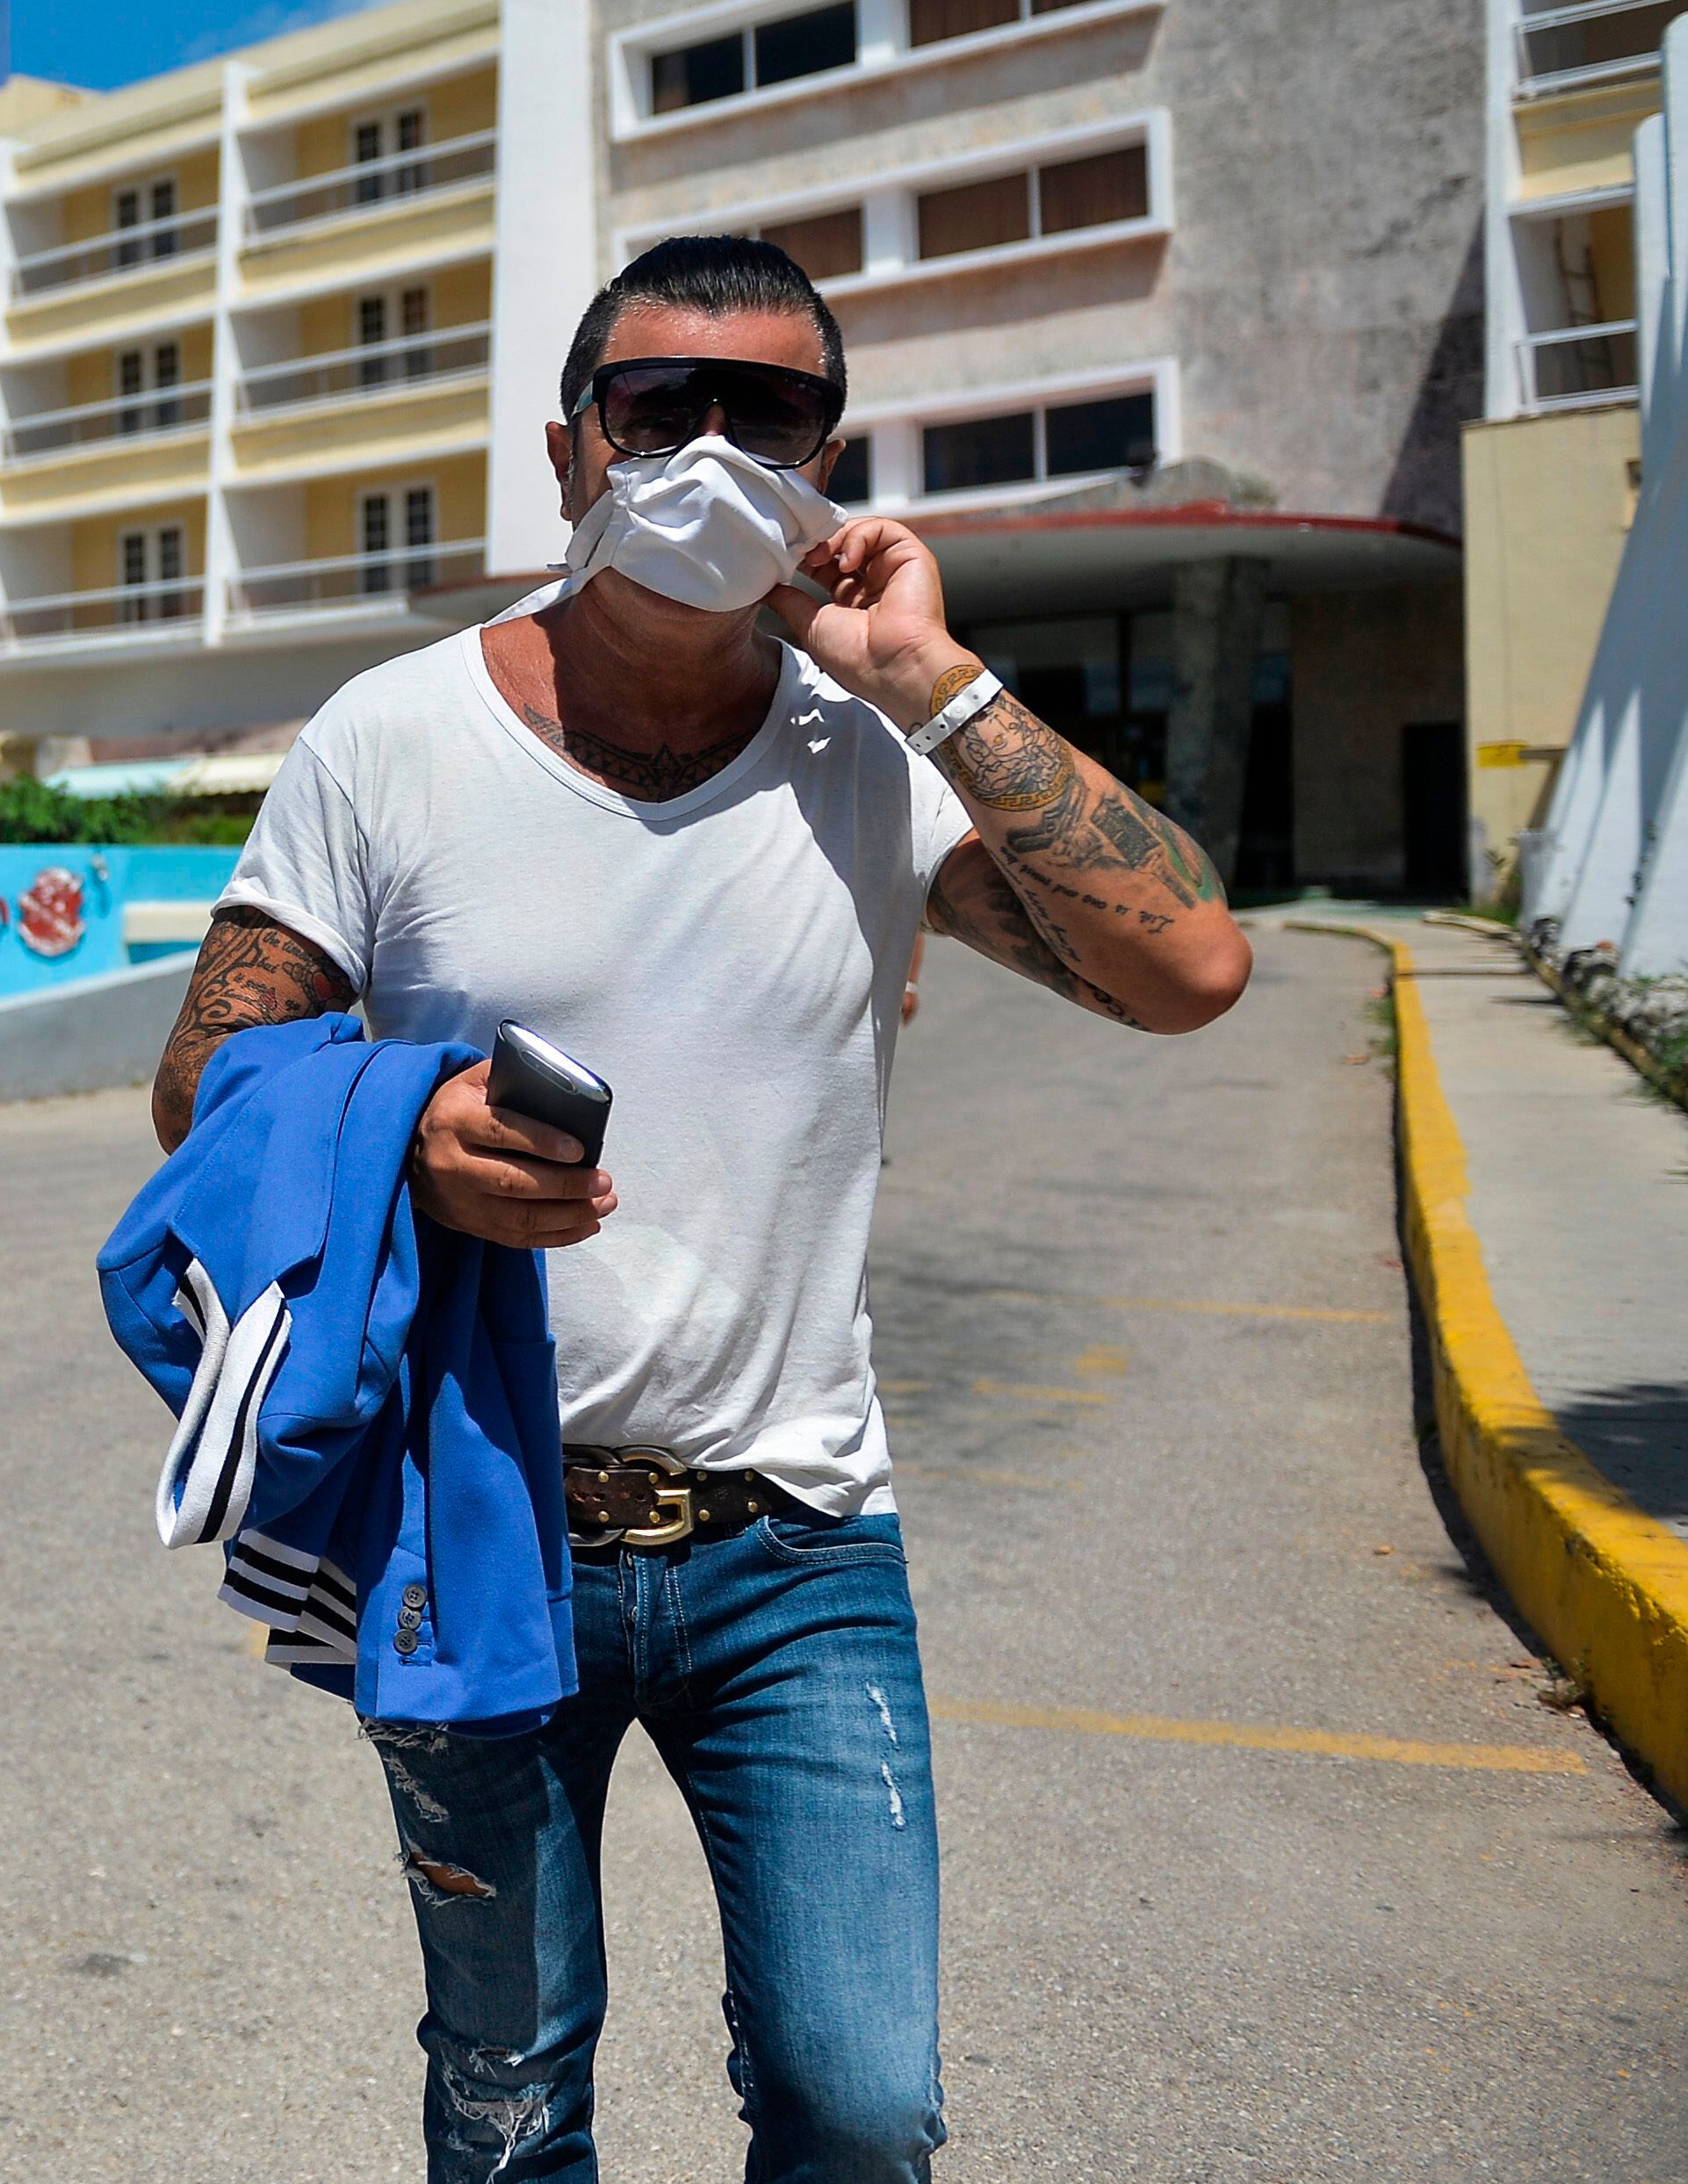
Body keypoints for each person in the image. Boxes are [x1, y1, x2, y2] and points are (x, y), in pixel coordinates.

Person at [149, 234, 1247, 2182]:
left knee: (861, 2106)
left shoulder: (877, 750)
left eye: (772, 416)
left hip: (799, 1535)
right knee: (509, 2097)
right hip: (481, 1523)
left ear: (827, 465)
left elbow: (1187, 971)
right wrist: (407, 1132)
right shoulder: (394, 734)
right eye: (661, 407)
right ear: (569, 449)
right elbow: (201, 1080)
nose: (712, 451)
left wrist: (931, 679)